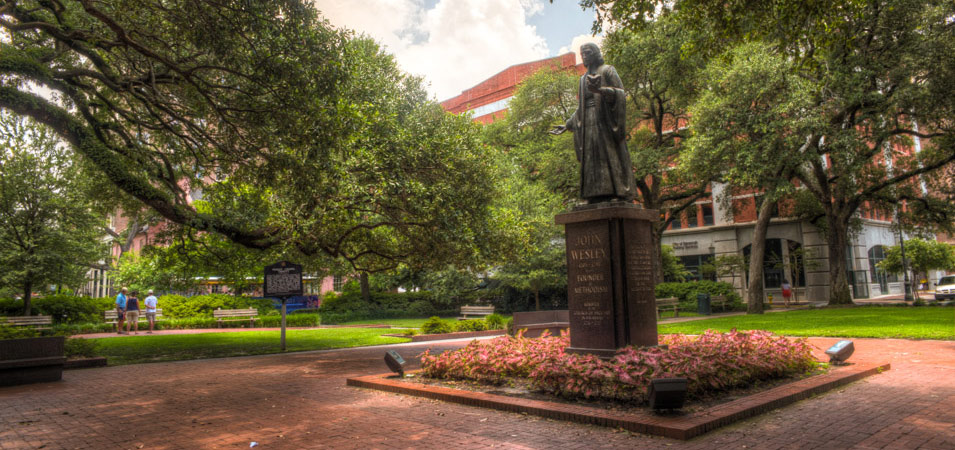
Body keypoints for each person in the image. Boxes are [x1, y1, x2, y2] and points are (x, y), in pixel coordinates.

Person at [550, 43, 635, 204]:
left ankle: (617, 191)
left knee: (607, 154)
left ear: (596, 54)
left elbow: (621, 95)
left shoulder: (608, 70)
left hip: (605, 121)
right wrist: (567, 125)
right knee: (590, 157)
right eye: (582, 54)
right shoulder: (582, 80)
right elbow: (581, 107)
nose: (584, 56)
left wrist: (601, 91)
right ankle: (595, 193)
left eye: (588, 53)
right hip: (587, 123)